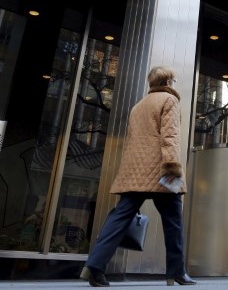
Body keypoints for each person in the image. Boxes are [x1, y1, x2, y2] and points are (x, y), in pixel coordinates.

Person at [83, 66, 196, 287]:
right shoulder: (169, 101)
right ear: (168, 81)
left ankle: (95, 266)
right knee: (174, 223)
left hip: (135, 171)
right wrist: (172, 171)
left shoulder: (138, 106)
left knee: (119, 218)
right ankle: (177, 273)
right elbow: (170, 137)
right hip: (160, 170)